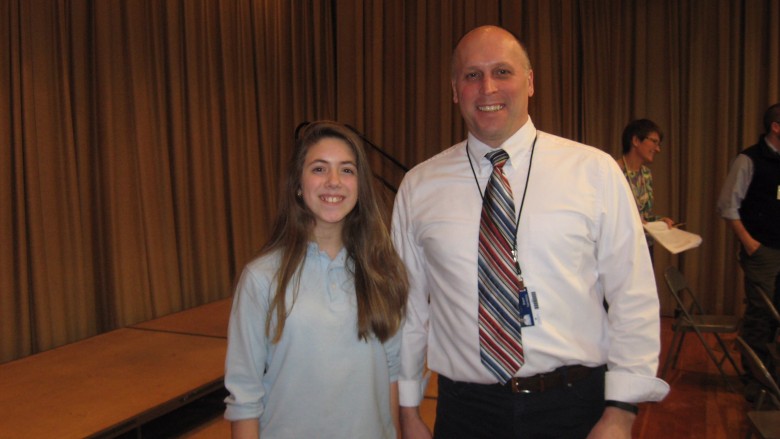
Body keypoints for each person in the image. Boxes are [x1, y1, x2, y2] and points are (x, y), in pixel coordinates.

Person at [391, 25, 669, 438]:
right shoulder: (419, 187)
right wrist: (409, 410)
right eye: (472, 75)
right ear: (454, 90)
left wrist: (621, 411)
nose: (488, 87)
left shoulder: (593, 172)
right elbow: (408, 309)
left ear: (530, 82)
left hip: (575, 407)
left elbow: (633, 294)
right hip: (466, 411)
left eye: (502, 71)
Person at [224, 120, 409, 438]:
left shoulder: (384, 272)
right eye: (319, 169)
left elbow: (391, 374)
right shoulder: (261, 278)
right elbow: (245, 397)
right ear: (298, 183)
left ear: (360, 186)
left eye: (347, 170)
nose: (334, 181)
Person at [717, 103, 780, 382]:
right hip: (762, 251)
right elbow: (727, 206)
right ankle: (754, 378)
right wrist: (749, 243)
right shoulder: (749, 159)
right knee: (761, 314)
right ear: (775, 127)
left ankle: (772, 375)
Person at [618, 119, 675, 229]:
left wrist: (660, 221)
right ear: (635, 140)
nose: (658, 149)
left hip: (645, 244)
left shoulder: (646, 173)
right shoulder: (614, 171)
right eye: (654, 142)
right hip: (624, 243)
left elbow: (645, 216)